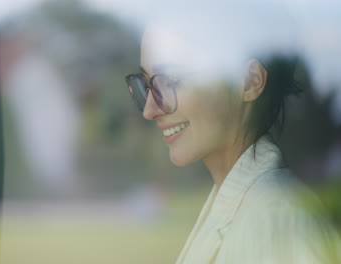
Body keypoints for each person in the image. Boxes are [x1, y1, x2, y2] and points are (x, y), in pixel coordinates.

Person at [125, 8, 340, 264]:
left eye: (170, 80)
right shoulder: (242, 207)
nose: (150, 110)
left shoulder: (274, 218)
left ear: (250, 82)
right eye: (147, 84)